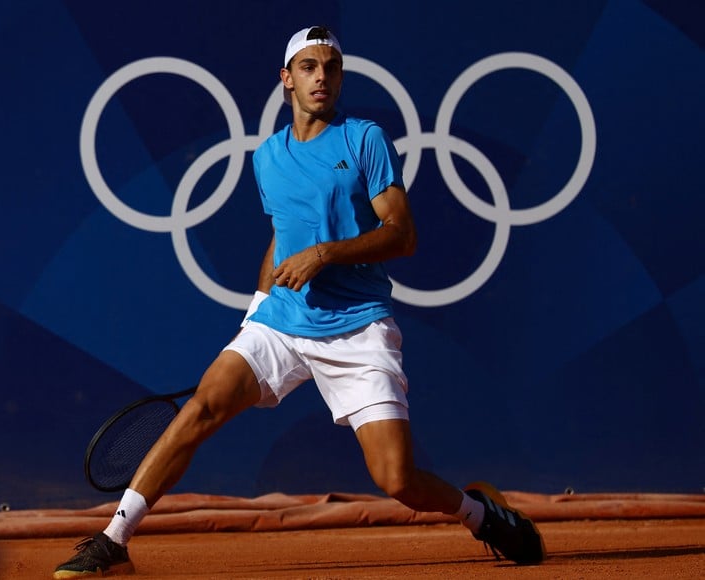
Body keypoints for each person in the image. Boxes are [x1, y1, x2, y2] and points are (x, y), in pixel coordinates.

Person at [53, 25, 545, 578]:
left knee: (397, 479)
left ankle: (480, 513)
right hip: (281, 324)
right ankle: (113, 540)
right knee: (200, 409)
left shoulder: (365, 139)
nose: (322, 78)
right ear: (287, 79)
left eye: (331, 68)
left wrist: (325, 254)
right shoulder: (267, 158)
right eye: (309, 67)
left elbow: (401, 234)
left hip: (358, 328)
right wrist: (257, 308)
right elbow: (281, 238)